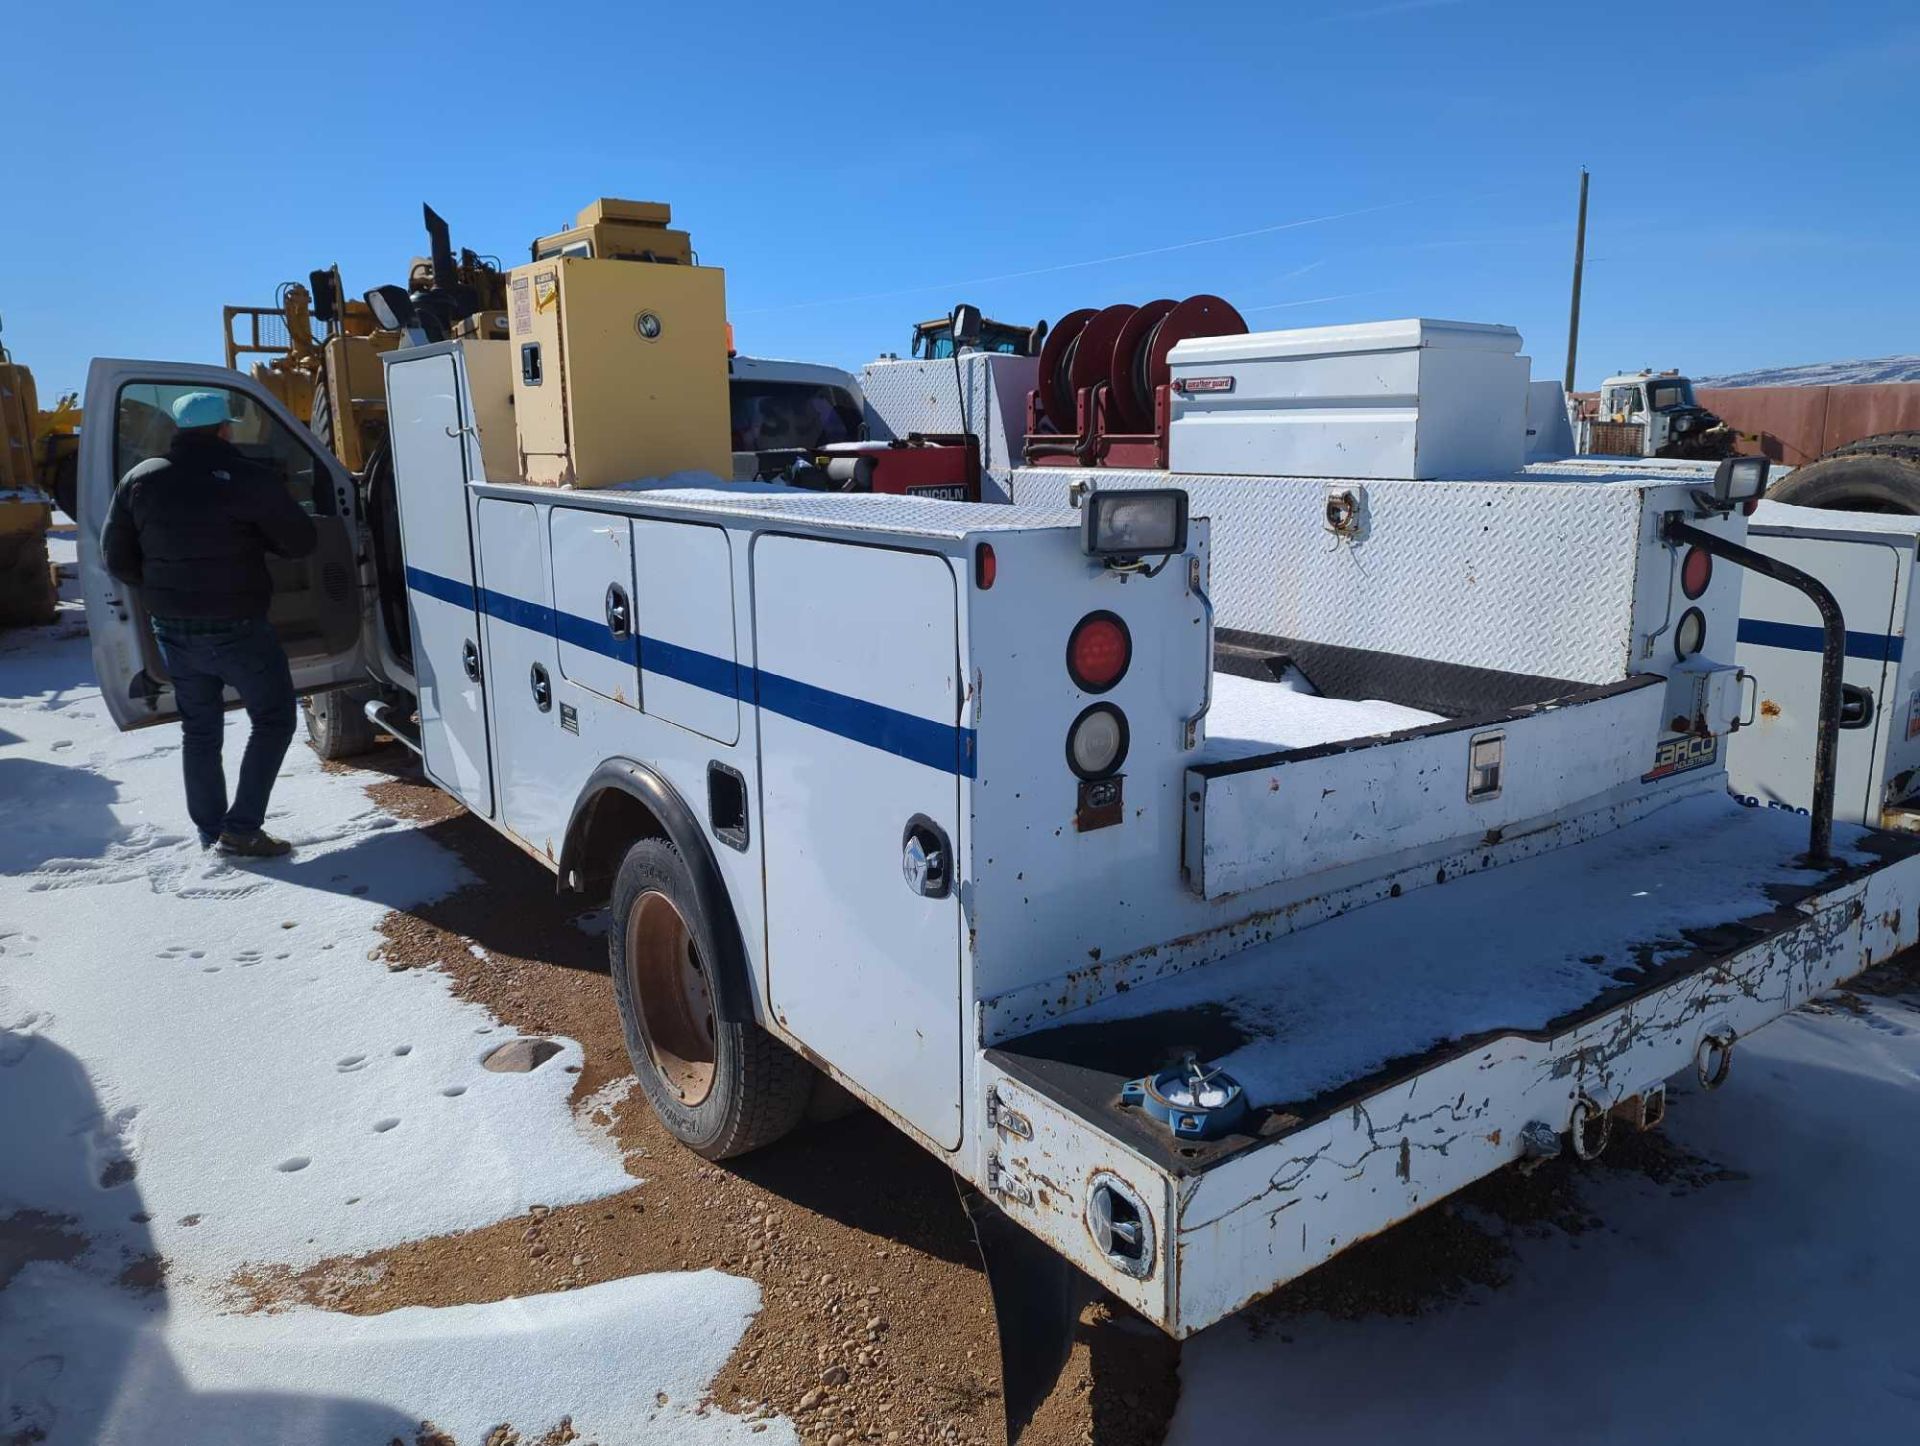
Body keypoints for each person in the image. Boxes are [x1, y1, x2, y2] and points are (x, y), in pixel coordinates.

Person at [101, 391, 316, 857]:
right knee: (274, 719)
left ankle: (210, 831)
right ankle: (241, 828)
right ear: (224, 429)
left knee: (200, 730)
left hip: (173, 629)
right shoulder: (247, 478)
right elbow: (301, 541)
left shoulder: (140, 478)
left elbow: (115, 555)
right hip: (238, 625)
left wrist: (162, 588)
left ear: (178, 429)